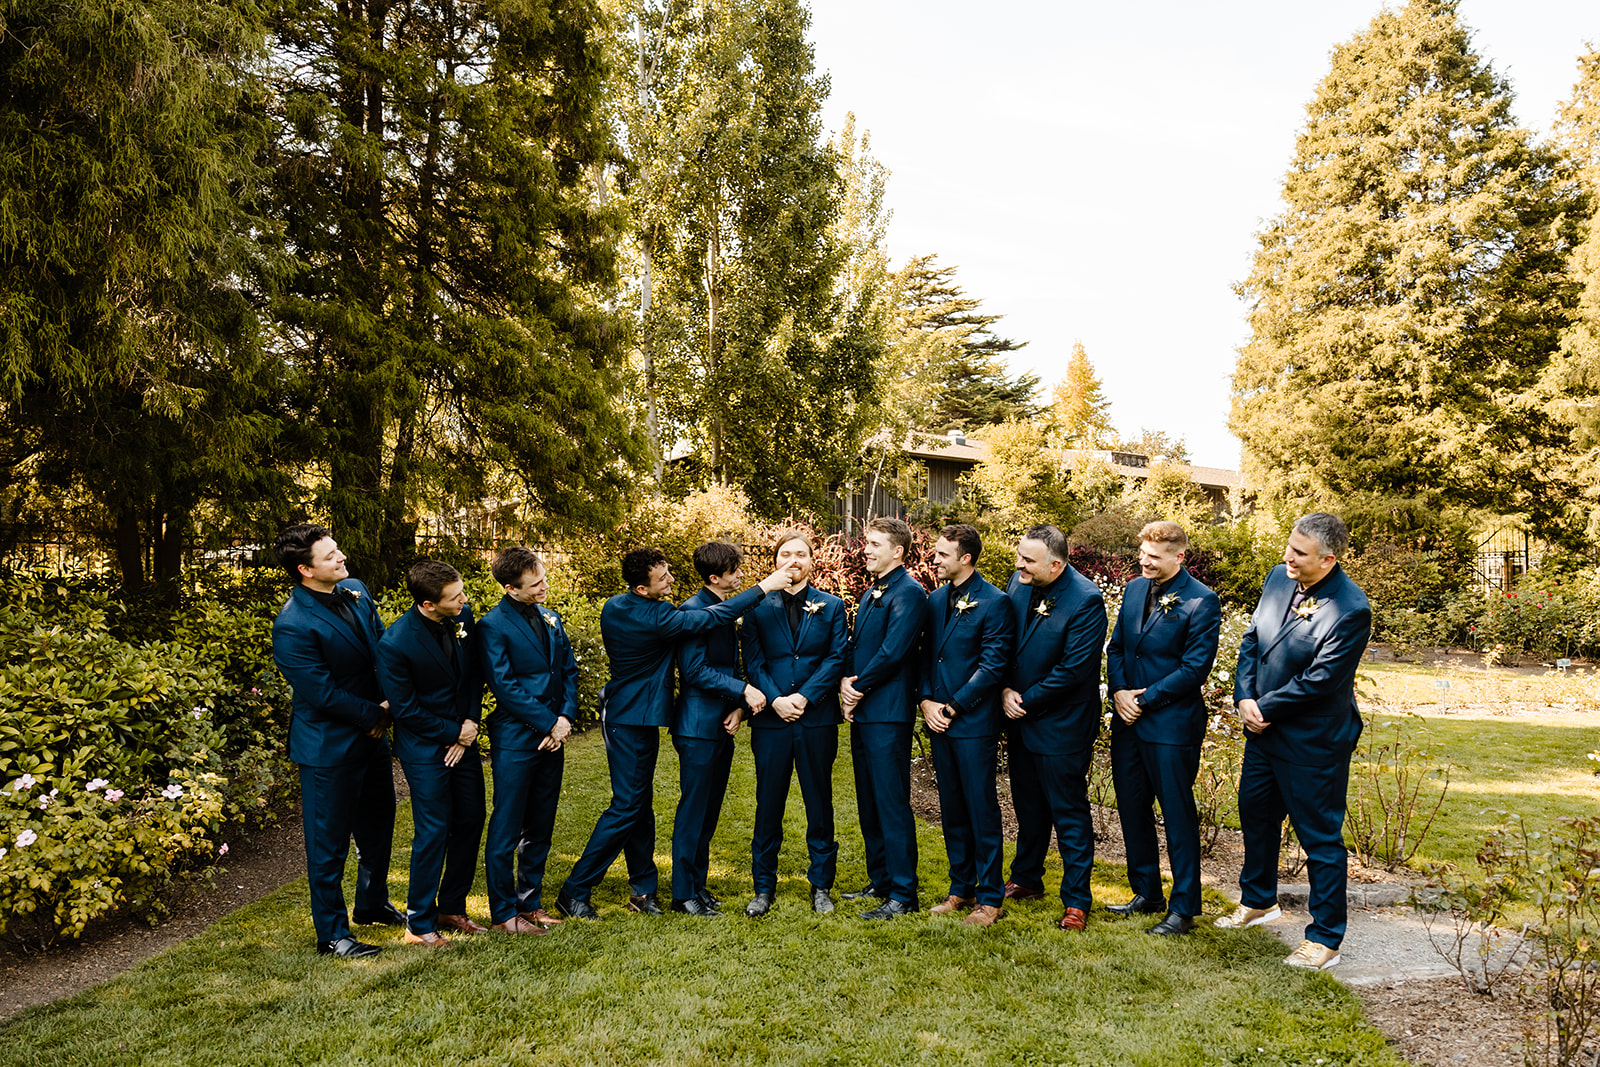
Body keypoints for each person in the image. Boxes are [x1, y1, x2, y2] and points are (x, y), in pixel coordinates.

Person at [554, 546, 798, 919]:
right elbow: (715, 617)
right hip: (629, 718)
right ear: (641, 588)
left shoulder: (615, 605)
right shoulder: (663, 617)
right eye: (662, 577)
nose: (671, 579)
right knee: (627, 806)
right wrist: (765, 587)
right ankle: (575, 890)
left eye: (667, 571)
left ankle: (643, 889)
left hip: (636, 715)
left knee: (639, 805)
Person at [1218, 512, 1371, 971]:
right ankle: (1259, 901)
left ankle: (1325, 939)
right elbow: (1252, 641)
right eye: (1289, 546)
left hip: (1312, 741)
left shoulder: (1350, 608)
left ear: (1328, 559)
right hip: (1261, 730)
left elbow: (1321, 680)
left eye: (1299, 553)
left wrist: (1265, 709)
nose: (1288, 557)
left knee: (1320, 838)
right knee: (1256, 816)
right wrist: (1244, 696)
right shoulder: (1277, 579)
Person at [270, 524, 400, 959]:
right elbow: (320, 692)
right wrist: (377, 714)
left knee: (380, 824)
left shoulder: (357, 590)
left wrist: (393, 703)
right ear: (306, 570)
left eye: (337, 549)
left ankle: (371, 902)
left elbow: (381, 647)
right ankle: (332, 934)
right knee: (328, 845)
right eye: (330, 556)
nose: (342, 557)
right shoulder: (293, 624)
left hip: (373, 736)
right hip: (329, 746)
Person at [1104, 521, 1221, 937]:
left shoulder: (1202, 602)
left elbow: (1195, 670)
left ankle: (1184, 907)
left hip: (1171, 724)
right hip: (1128, 721)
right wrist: (1118, 690)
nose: (1144, 561)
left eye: (1154, 556)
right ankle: (1146, 892)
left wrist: (1143, 698)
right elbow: (1116, 646)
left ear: (1179, 557)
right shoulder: (1136, 589)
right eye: (1142, 554)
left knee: (1176, 814)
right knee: (1132, 807)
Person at [375, 560, 486, 948]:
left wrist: (469, 724)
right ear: (427, 604)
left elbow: (473, 675)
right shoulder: (395, 643)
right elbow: (405, 711)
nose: (464, 600)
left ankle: (451, 907)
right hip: (424, 748)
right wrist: (453, 732)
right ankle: (418, 924)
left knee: (472, 819)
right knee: (434, 829)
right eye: (455, 597)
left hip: (464, 739)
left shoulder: (463, 617)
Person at [1001, 523, 1106, 932]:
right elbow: (1008, 640)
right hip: (1018, 716)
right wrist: (1006, 688)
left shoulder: (1086, 600)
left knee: (1069, 813)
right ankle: (1027, 878)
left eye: (1028, 560)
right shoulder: (1019, 581)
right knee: (1027, 805)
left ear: (1057, 564)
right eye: (1019, 556)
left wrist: (1024, 700)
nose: (1018, 565)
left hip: (1062, 724)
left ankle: (1077, 900)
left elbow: (1074, 670)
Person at [740, 531, 848, 917]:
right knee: (768, 804)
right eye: (785, 553)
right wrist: (777, 700)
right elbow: (753, 663)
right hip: (771, 721)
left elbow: (836, 658)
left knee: (819, 803)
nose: (793, 560)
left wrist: (803, 697)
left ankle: (821, 885)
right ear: (776, 560)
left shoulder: (832, 606)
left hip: (816, 718)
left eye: (801, 554)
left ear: (811, 560)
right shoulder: (756, 607)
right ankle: (763, 887)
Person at [477, 546, 579, 934]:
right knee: (507, 826)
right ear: (510, 588)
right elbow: (504, 687)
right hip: (518, 737)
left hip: (554, 732)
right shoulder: (493, 625)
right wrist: (548, 723)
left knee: (541, 822)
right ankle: (504, 914)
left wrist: (565, 718)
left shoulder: (551, 617)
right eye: (535, 585)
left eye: (543, 579)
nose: (544, 588)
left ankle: (529, 902)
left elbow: (568, 670)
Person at [919, 524, 1015, 927]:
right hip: (937, 719)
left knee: (980, 808)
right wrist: (925, 700)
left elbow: (993, 665)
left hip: (972, 722)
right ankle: (960, 888)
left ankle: (990, 898)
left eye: (942, 554)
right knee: (952, 808)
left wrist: (953, 707)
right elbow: (924, 655)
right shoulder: (935, 598)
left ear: (966, 558)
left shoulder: (996, 602)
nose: (934, 559)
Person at [839, 517, 929, 920]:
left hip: (889, 713)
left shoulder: (909, 593)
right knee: (869, 801)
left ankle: (904, 893)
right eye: (867, 543)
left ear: (898, 551)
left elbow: (893, 653)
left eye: (875, 544)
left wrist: (855, 689)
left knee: (891, 802)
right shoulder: (875, 590)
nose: (867, 550)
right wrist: (845, 682)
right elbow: (859, 646)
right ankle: (881, 879)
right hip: (866, 711)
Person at [669, 542, 766, 917]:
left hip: (721, 724)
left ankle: (698, 885)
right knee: (693, 810)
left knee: (709, 811)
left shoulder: (723, 611)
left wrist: (739, 708)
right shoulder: (692, 612)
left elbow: (730, 665)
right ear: (715, 577)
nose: (740, 575)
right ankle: (682, 894)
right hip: (696, 727)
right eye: (734, 571)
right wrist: (743, 690)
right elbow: (694, 671)